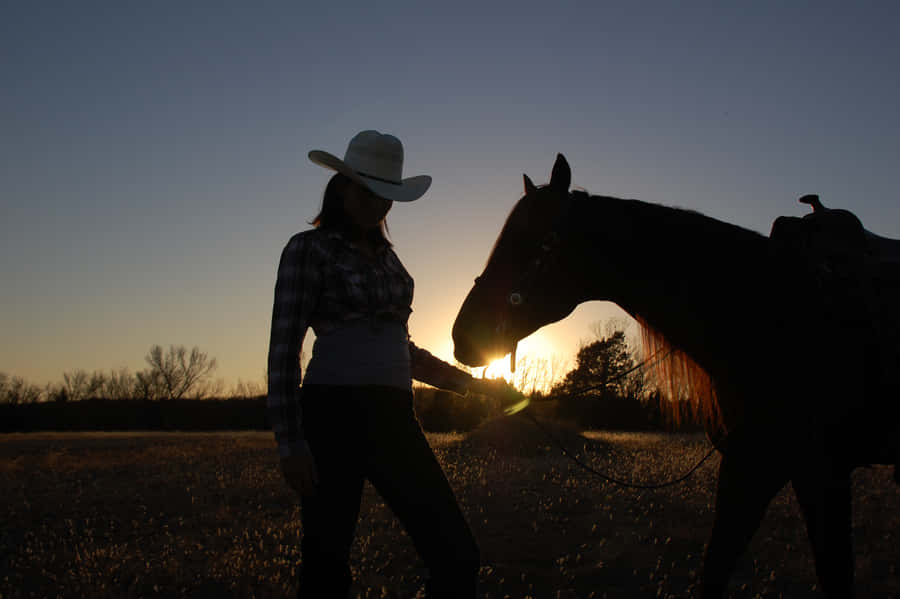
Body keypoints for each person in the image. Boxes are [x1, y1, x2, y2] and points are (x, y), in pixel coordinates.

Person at [267, 130, 517, 598]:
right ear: (342, 187)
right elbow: (284, 347)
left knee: (457, 554)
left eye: (387, 197)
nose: (378, 205)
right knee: (326, 565)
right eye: (368, 192)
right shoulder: (308, 249)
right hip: (330, 416)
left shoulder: (391, 263)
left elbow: (404, 351)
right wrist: (290, 442)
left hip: (395, 420)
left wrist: (470, 385)